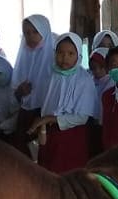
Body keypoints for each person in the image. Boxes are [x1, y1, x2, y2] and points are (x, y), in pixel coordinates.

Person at [30, 33, 99, 173]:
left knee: (68, 175)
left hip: (72, 137)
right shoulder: (50, 76)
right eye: (60, 53)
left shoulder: (83, 80)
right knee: (47, 173)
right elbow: (43, 104)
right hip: (49, 133)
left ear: (78, 55)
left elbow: (82, 117)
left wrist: (51, 118)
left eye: (70, 53)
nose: (64, 58)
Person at [12, 15, 56, 138]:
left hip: (47, 115)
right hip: (25, 113)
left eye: (35, 32)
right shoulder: (23, 56)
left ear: (45, 31)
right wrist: (19, 92)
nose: (30, 36)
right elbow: (14, 92)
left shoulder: (56, 58)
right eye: (26, 33)